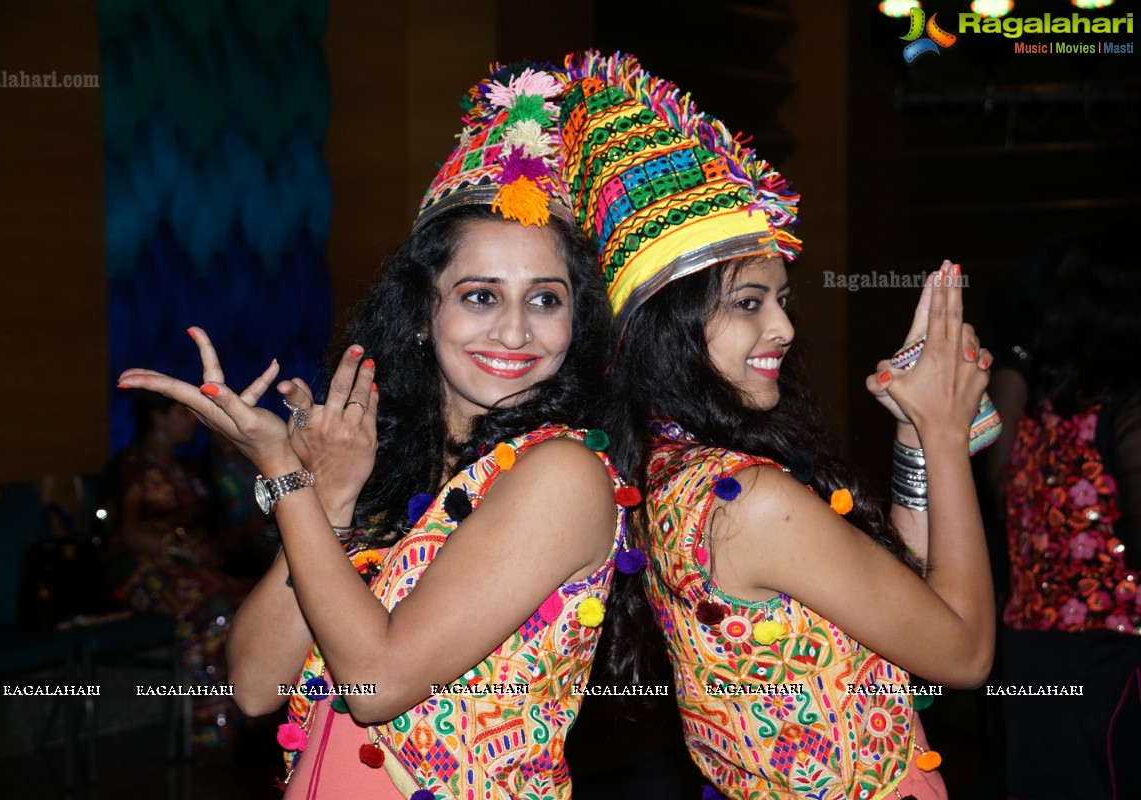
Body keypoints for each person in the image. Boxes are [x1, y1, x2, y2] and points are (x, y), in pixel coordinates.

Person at [119, 63, 632, 799]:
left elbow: (377, 683)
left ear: (576, 322)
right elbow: (257, 685)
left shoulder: (563, 474)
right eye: (481, 295)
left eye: (546, 300)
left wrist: (282, 475)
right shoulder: (395, 469)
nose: (515, 329)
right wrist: (326, 497)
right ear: (425, 315)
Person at [558, 52, 996, 799]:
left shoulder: (676, 472)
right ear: (671, 324)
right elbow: (961, 651)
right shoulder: (745, 500)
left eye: (782, 298)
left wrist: (918, 440)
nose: (785, 328)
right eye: (749, 301)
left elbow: (908, 606)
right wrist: (949, 435)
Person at [988, 234, 1141, 800]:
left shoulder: (1044, 403)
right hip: (1095, 656)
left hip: (1046, 656)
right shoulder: (1103, 403)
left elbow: (999, 488)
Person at [103, 389, 245, 748]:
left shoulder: (187, 469)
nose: (192, 421)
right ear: (158, 417)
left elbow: (214, 520)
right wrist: (182, 553)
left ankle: (242, 711)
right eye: (183, 412)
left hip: (186, 570)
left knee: (243, 595)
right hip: (141, 572)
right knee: (213, 605)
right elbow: (128, 532)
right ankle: (210, 724)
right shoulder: (134, 466)